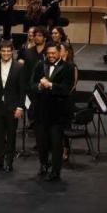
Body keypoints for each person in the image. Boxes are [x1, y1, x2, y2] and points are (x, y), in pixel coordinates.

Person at [30, 43, 74, 181]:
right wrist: (39, 86)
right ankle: (43, 164)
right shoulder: (39, 65)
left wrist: (50, 85)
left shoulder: (68, 68)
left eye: (54, 53)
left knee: (56, 144)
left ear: (60, 53)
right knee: (41, 142)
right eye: (49, 53)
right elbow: (31, 83)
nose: (51, 56)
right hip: (40, 112)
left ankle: (56, 171)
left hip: (58, 114)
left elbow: (67, 89)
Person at [0, 40, 25, 172]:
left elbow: (22, 90)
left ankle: (9, 162)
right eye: (3, 51)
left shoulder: (19, 67)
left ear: (12, 52)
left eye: (9, 51)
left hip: (13, 107)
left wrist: (20, 107)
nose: (6, 53)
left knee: (11, 136)